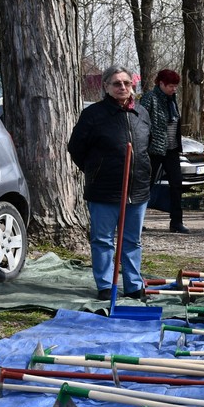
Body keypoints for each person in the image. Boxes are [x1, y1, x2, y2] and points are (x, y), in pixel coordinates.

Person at [68, 65, 152, 301]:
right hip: (104, 190)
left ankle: (133, 285)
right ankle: (105, 285)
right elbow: (76, 147)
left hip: (137, 190)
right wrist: (95, 169)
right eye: (116, 83)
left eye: (126, 83)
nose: (122, 87)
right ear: (106, 87)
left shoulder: (142, 113)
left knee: (132, 240)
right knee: (103, 240)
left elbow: (148, 146)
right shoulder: (93, 114)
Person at [139, 69, 189, 234]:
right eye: (170, 86)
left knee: (177, 184)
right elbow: (140, 122)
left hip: (171, 149)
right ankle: (137, 220)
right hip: (153, 150)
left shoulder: (172, 99)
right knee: (145, 185)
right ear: (160, 84)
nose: (174, 89)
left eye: (175, 86)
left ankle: (176, 222)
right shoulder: (149, 98)